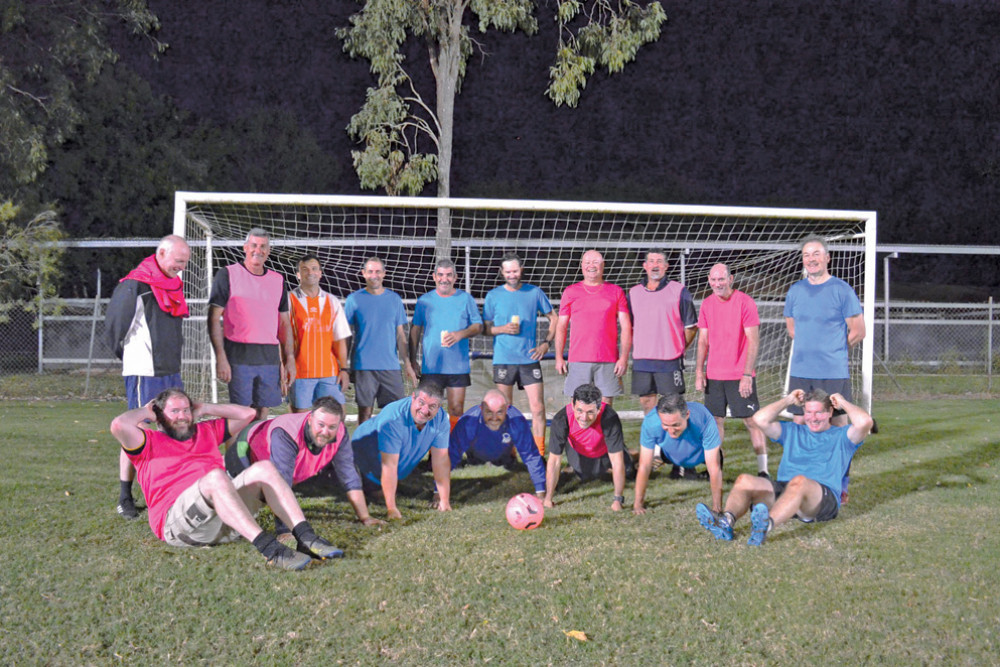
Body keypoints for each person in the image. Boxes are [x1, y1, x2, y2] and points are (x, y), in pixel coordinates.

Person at [109, 389, 344, 570]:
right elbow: (119, 424)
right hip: (179, 526)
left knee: (264, 468)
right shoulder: (147, 443)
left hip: (225, 523)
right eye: (175, 411)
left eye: (186, 410)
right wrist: (147, 411)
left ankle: (306, 537)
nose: (182, 416)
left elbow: (248, 414)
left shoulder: (206, 431)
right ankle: (271, 550)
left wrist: (205, 408)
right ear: (160, 416)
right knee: (216, 477)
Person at [696, 389, 873, 546]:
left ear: (830, 412)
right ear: (803, 412)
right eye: (809, 412)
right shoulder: (793, 431)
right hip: (787, 493)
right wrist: (788, 400)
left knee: (800, 482)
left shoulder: (843, 436)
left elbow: (865, 422)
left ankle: (766, 525)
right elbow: (759, 419)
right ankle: (726, 522)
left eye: (819, 412)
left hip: (821, 498)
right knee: (744, 481)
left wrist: (842, 402)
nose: (813, 417)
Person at [104, 234, 191, 520]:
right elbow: (114, 331)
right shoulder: (134, 284)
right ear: (162, 253)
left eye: (185, 262)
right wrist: (133, 360)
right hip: (145, 371)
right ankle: (125, 496)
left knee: (171, 432)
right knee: (138, 432)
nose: (182, 267)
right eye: (179, 261)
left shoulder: (174, 283)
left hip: (170, 371)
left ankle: (166, 491)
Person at [223, 396, 385, 533]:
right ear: (309, 420)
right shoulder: (286, 434)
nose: (325, 431)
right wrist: (284, 531)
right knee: (241, 509)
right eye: (320, 425)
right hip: (244, 452)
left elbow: (349, 476)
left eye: (331, 427)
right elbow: (281, 483)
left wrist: (365, 517)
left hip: (284, 465)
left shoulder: (340, 433)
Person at [784, 235, 866, 501]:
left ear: (827, 257)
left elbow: (858, 331)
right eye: (807, 255)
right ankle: (797, 481)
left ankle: (839, 484)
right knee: (799, 422)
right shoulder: (795, 290)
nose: (812, 259)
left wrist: (833, 351)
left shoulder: (842, 290)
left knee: (839, 425)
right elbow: (792, 328)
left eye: (817, 253)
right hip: (801, 371)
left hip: (833, 372)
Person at [208, 228, 296, 421]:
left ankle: (255, 451)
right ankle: (235, 452)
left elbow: (284, 323)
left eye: (263, 246)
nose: (258, 250)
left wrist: (288, 358)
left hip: (268, 356)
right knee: (239, 415)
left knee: (262, 413)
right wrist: (221, 357)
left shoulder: (278, 280)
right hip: (239, 355)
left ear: (268, 251)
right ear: (245, 247)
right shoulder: (227, 274)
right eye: (254, 245)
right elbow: (214, 318)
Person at [694, 263, 769, 477]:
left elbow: (753, 340)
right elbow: (703, 341)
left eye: (722, 279)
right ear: (709, 280)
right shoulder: (707, 304)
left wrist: (747, 374)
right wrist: (700, 372)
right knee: (715, 422)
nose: (718, 284)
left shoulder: (745, 302)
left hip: (739, 376)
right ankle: (714, 469)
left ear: (731, 279)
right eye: (714, 280)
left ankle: (763, 471)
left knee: (752, 421)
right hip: (714, 375)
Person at [482, 252, 557, 454]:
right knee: (505, 409)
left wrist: (545, 344)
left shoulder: (534, 293)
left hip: (529, 358)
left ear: (521, 270)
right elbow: (485, 328)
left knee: (538, 408)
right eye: (508, 271)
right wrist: (502, 329)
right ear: (502, 272)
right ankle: (509, 452)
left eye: (515, 271)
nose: (512, 275)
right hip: (504, 360)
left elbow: (554, 318)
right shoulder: (493, 296)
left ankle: (539, 453)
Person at [351, 379, 452, 520]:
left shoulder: (441, 419)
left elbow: (441, 459)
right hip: (364, 452)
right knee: (378, 495)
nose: (424, 410)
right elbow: (389, 465)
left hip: (395, 458)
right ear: (413, 397)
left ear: (439, 406)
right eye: (421, 403)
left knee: (401, 482)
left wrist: (444, 500)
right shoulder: (393, 419)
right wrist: (391, 508)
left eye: (432, 406)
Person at [409, 259, 483, 429]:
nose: (445, 279)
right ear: (434, 277)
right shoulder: (424, 301)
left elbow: (478, 326)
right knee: (426, 410)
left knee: (456, 410)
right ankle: (428, 452)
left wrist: (460, 334)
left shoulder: (466, 299)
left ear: (455, 277)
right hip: (432, 368)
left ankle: (452, 452)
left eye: (449, 275)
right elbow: (415, 331)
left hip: (457, 367)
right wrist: (413, 361)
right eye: (441, 275)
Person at [344, 256, 418, 424]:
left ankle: (391, 449)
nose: (374, 275)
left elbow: (400, 335)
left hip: (390, 366)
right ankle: (364, 449)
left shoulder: (394, 299)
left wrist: (407, 364)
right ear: (363, 273)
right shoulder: (353, 300)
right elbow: (346, 335)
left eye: (378, 271)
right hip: (364, 367)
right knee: (365, 413)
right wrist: (343, 366)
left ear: (384, 274)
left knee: (395, 413)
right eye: (370, 271)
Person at [554, 250, 631, 406]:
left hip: (608, 360)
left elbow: (626, 327)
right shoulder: (570, 292)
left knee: (605, 411)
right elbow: (561, 327)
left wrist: (623, 358)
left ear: (603, 265)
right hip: (578, 360)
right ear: (581, 266)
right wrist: (559, 357)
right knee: (578, 410)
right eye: (587, 262)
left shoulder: (616, 291)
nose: (591, 266)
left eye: (595, 262)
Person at [544, 383, 634, 511]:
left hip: (604, 452)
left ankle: (631, 455)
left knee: (629, 472)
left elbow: (616, 460)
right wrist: (548, 498)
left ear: (599, 408)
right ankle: (573, 469)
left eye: (590, 412)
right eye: (579, 410)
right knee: (587, 475)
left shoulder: (609, 417)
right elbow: (554, 461)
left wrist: (618, 499)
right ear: (572, 404)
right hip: (579, 451)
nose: (584, 418)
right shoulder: (561, 419)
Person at [628, 249, 698, 414]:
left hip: (669, 360)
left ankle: (674, 438)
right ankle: (654, 439)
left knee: (673, 404)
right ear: (645, 266)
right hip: (642, 360)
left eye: (659, 261)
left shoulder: (679, 291)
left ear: (666, 266)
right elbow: (630, 326)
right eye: (651, 261)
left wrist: (681, 348)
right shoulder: (634, 292)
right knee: (646, 402)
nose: (655, 265)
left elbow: (692, 327)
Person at [633, 394, 723, 515]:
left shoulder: (703, 418)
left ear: (687, 415)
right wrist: (638, 504)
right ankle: (664, 458)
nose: (671, 431)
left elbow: (714, 469)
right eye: (665, 425)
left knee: (716, 458)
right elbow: (644, 465)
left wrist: (717, 509)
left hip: (699, 455)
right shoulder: (650, 422)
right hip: (670, 454)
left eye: (676, 425)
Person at [449, 390, 547, 497]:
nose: (494, 418)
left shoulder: (516, 421)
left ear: (507, 409)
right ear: (481, 409)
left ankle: (505, 461)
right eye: (489, 412)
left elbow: (530, 456)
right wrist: (438, 493)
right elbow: (451, 454)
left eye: (499, 412)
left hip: (504, 457)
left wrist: (540, 492)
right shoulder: (468, 422)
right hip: (474, 457)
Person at [288, 254, 352, 412]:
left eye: (314, 268)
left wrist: (344, 369)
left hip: (329, 373)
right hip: (299, 372)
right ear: (298, 275)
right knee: (300, 422)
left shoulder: (332, 301)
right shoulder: (288, 300)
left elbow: (339, 339)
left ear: (320, 273)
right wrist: (282, 368)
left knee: (338, 415)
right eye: (305, 269)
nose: (310, 272)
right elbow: (281, 339)